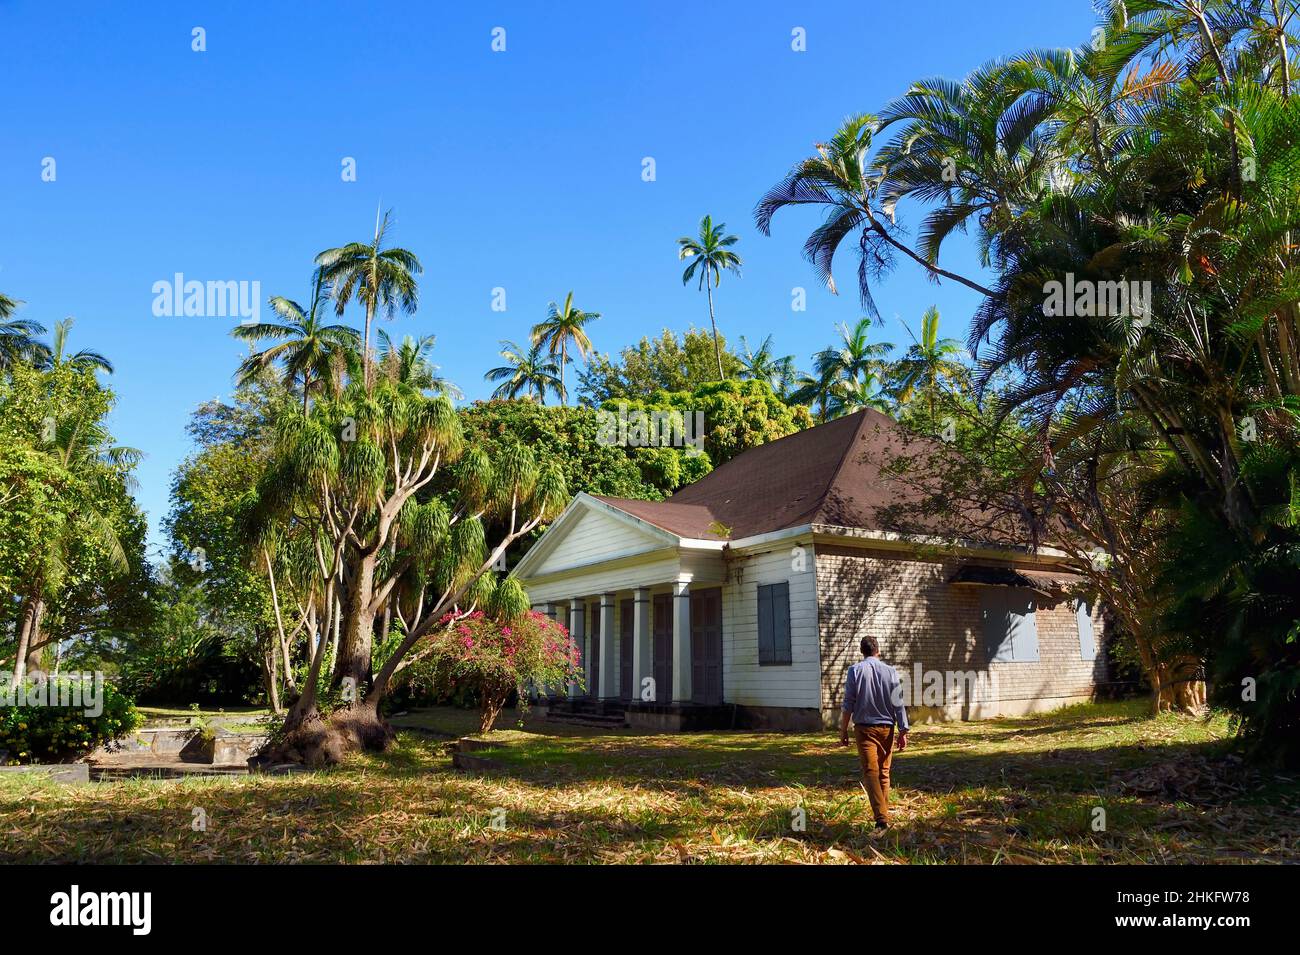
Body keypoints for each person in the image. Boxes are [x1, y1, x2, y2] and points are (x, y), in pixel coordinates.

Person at [839, 635, 909, 832]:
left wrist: (843, 729)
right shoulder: (891, 671)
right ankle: (883, 814)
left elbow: (848, 703)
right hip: (887, 728)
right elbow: (898, 703)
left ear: (862, 652)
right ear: (877, 650)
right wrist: (903, 730)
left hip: (865, 729)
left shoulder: (855, 671)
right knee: (883, 772)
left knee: (871, 772)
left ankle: (881, 819)